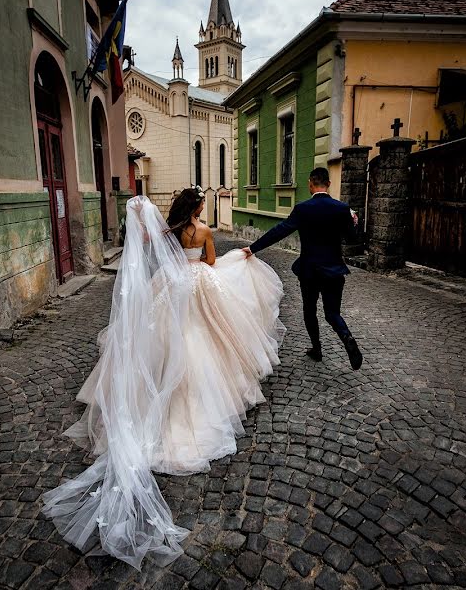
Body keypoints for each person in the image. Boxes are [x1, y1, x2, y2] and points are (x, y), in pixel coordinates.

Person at [42, 188, 285, 569]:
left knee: (160, 344)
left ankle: (155, 399)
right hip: (199, 286)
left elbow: (146, 247)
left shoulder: (168, 231)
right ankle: (203, 406)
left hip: (170, 287)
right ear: (199, 208)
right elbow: (209, 264)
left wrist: (140, 213)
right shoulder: (204, 232)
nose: (204, 207)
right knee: (210, 338)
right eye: (202, 203)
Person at [243, 167, 363, 370]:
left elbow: (280, 231)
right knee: (332, 312)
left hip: (309, 271)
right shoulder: (342, 208)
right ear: (329, 184)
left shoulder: (302, 209)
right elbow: (353, 240)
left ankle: (317, 349)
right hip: (334, 270)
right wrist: (354, 222)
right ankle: (347, 337)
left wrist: (253, 248)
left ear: (310, 183)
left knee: (310, 310)